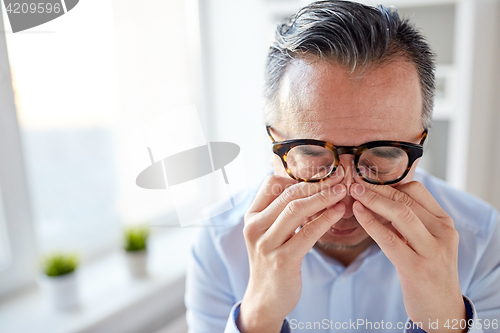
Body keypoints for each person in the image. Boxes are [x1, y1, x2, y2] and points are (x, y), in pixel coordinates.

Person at [185, 1, 500, 332]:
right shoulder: (219, 243)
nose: (346, 197)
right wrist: (259, 317)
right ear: (273, 143)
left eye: (384, 154)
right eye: (312, 152)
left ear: (419, 144)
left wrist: (445, 319)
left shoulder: (481, 240)